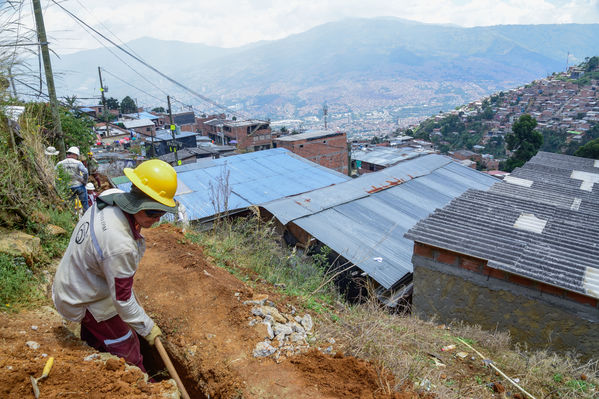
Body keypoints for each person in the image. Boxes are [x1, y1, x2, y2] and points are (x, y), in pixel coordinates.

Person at [52, 159, 178, 373]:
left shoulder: (110, 197)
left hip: (77, 279)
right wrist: (148, 328)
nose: (157, 220)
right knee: (127, 344)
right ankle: (142, 385)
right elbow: (123, 300)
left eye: (161, 213)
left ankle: (96, 355)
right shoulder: (120, 245)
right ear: (139, 205)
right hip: (84, 298)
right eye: (152, 213)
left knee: (107, 336)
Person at [56, 146, 89, 213]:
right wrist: (84, 181)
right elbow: (85, 172)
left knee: (71, 205)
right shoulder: (78, 163)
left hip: (68, 187)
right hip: (79, 186)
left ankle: (74, 219)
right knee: (85, 204)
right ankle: (88, 217)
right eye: (77, 155)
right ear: (74, 155)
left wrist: (60, 183)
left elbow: (55, 172)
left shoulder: (60, 163)